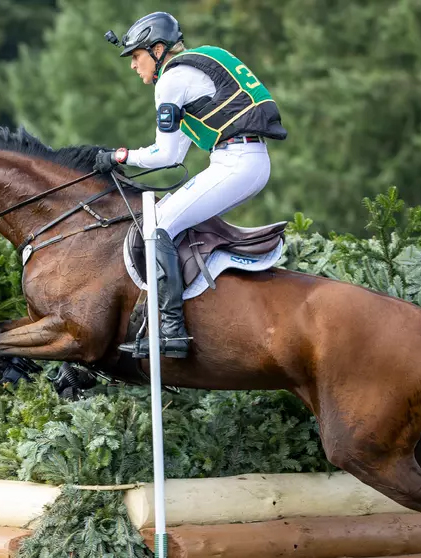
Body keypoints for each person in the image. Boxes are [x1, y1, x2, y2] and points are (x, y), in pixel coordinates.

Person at [95, 11, 287, 359]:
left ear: (157, 49)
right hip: (244, 159)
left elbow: (164, 153)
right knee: (169, 217)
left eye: (136, 56)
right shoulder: (192, 73)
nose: (133, 66)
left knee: (158, 226)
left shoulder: (172, 79)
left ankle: (172, 331)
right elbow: (172, 156)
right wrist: (126, 157)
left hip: (237, 162)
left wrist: (118, 156)